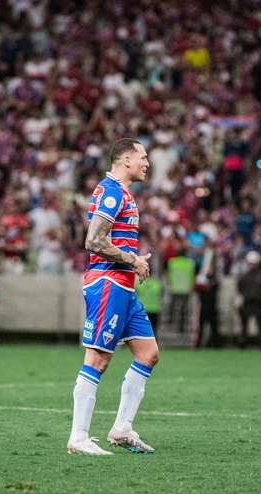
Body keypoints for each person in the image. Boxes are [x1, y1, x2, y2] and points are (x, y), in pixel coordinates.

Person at [67, 138, 158, 456]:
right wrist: (132, 259)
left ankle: (121, 429)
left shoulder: (125, 193)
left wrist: (134, 262)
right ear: (126, 159)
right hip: (108, 282)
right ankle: (78, 437)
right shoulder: (110, 191)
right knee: (98, 359)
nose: (147, 163)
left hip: (124, 286)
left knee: (148, 354)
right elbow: (93, 240)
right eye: (143, 157)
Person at [194, 237, 221, 348]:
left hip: (211, 290)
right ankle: (202, 342)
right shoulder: (201, 256)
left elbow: (216, 273)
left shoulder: (214, 256)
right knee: (203, 319)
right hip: (204, 291)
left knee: (212, 319)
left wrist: (212, 282)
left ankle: (214, 342)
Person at [237, 251, 261, 348]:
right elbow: (240, 287)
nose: (252, 265)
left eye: (253, 263)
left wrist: (259, 296)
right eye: (250, 263)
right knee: (244, 325)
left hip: (258, 302)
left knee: (260, 324)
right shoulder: (244, 276)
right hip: (247, 302)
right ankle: (243, 342)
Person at [167, 253, 195, 333]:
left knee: (172, 306)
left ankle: (171, 322)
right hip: (185, 288)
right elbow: (191, 276)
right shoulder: (190, 263)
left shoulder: (172, 262)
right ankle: (181, 327)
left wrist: (170, 284)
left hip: (175, 287)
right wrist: (191, 287)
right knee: (183, 309)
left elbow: (170, 275)